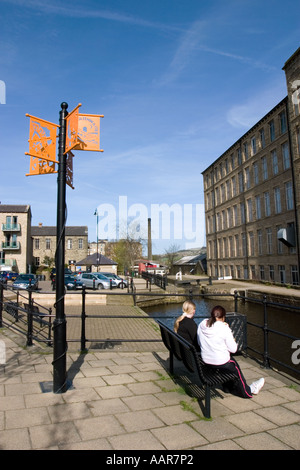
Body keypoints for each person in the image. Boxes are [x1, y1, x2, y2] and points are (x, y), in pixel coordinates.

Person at [197, 305, 264, 398]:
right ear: (223, 317)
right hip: (220, 362)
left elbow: (199, 343)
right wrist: (232, 336)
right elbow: (233, 349)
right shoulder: (224, 328)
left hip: (206, 360)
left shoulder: (201, 324)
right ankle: (249, 391)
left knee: (227, 364)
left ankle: (227, 388)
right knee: (234, 366)